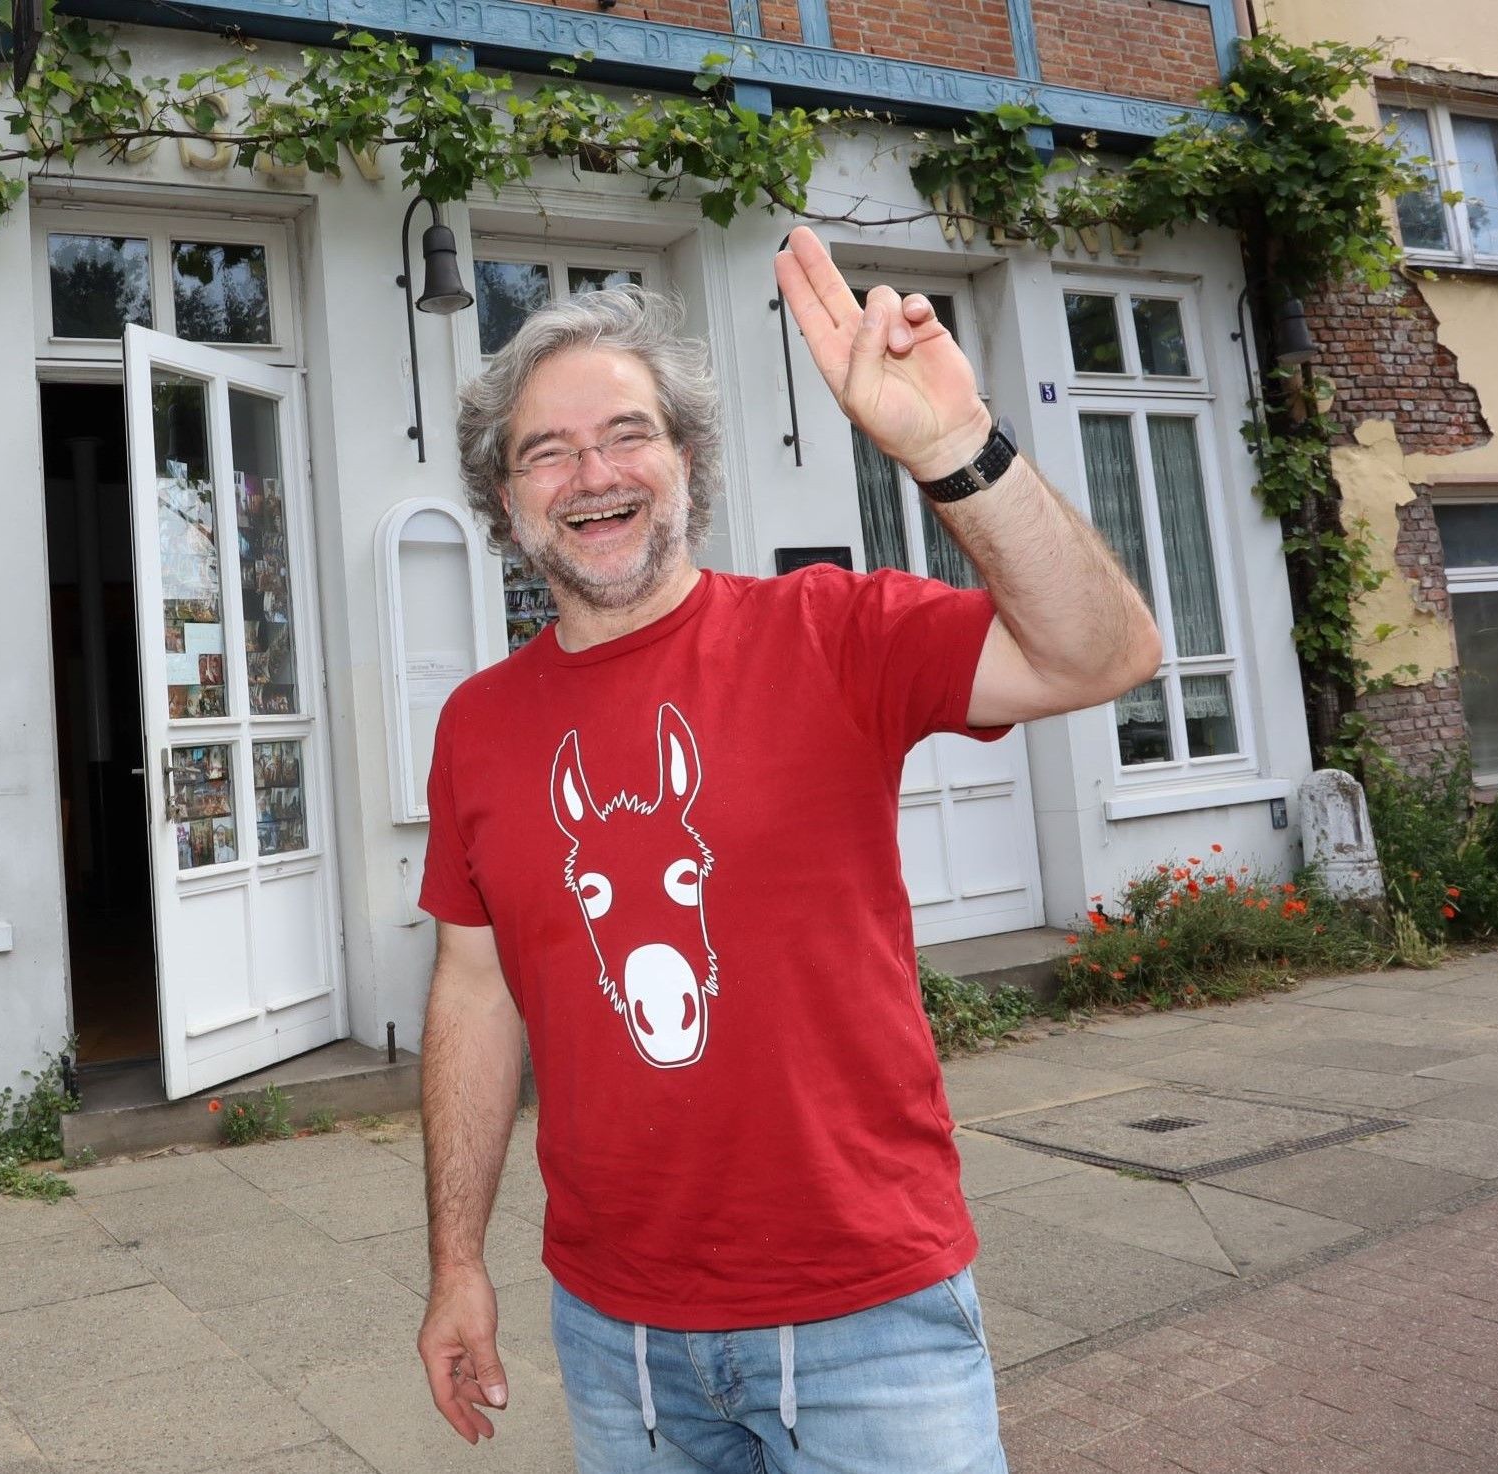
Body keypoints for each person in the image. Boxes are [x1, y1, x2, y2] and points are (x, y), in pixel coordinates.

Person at [412, 227, 1164, 1471]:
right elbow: (472, 987)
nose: (591, 473)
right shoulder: (477, 726)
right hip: (616, 1335)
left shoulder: (831, 632)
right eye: (545, 450)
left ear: (687, 462)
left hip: (869, 1317)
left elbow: (1104, 653)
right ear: (506, 499)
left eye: (627, 434)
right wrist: (454, 1262)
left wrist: (954, 450)